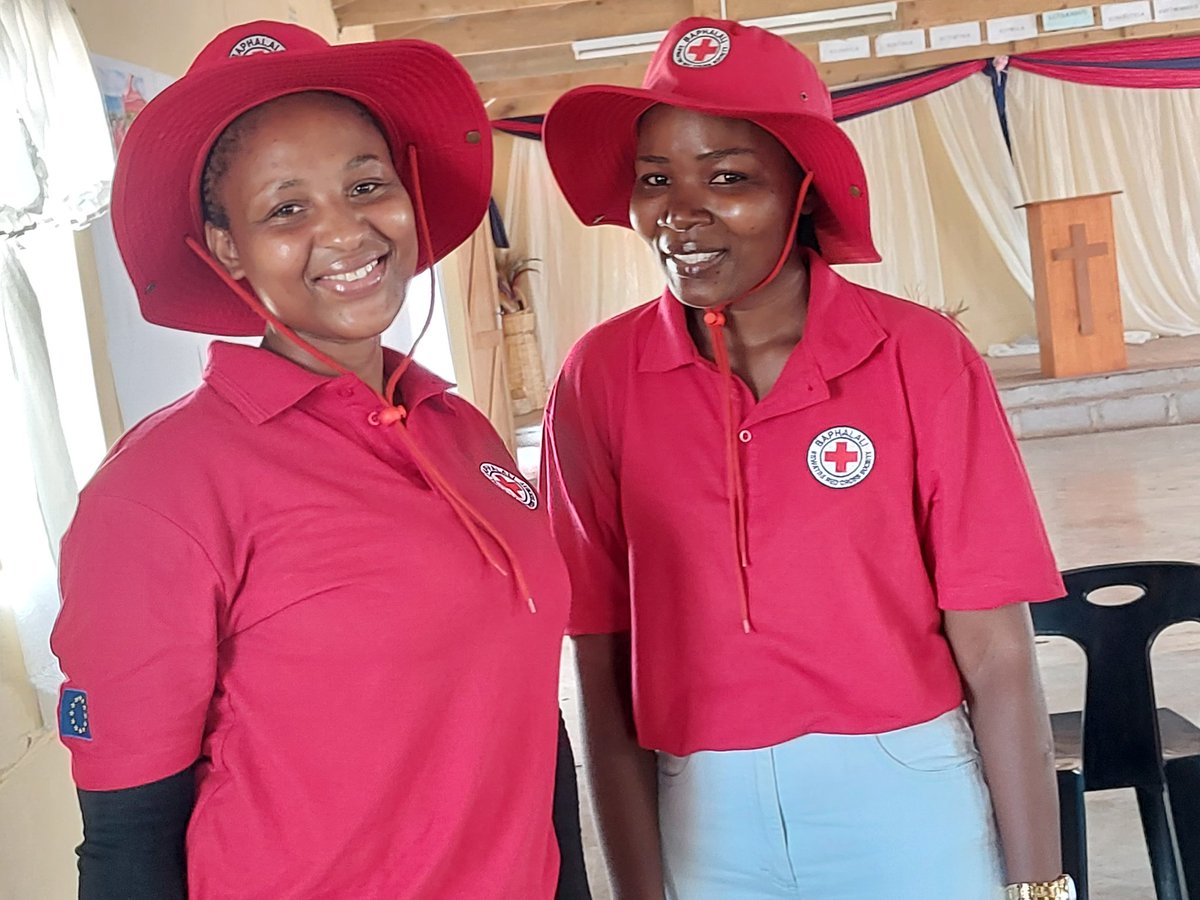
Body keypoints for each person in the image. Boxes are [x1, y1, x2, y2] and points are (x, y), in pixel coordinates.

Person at [51, 21, 589, 900]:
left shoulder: (460, 431)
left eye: (366, 184)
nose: (346, 231)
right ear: (226, 248)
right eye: (286, 208)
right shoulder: (158, 493)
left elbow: (526, 722)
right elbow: (127, 845)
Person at [540, 17, 1074, 900]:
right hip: (701, 807)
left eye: (728, 177)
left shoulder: (917, 355)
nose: (680, 212)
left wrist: (1039, 887)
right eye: (654, 180)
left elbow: (998, 655)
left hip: (906, 789)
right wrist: (638, 886)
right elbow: (598, 658)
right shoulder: (600, 376)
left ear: (804, 188)